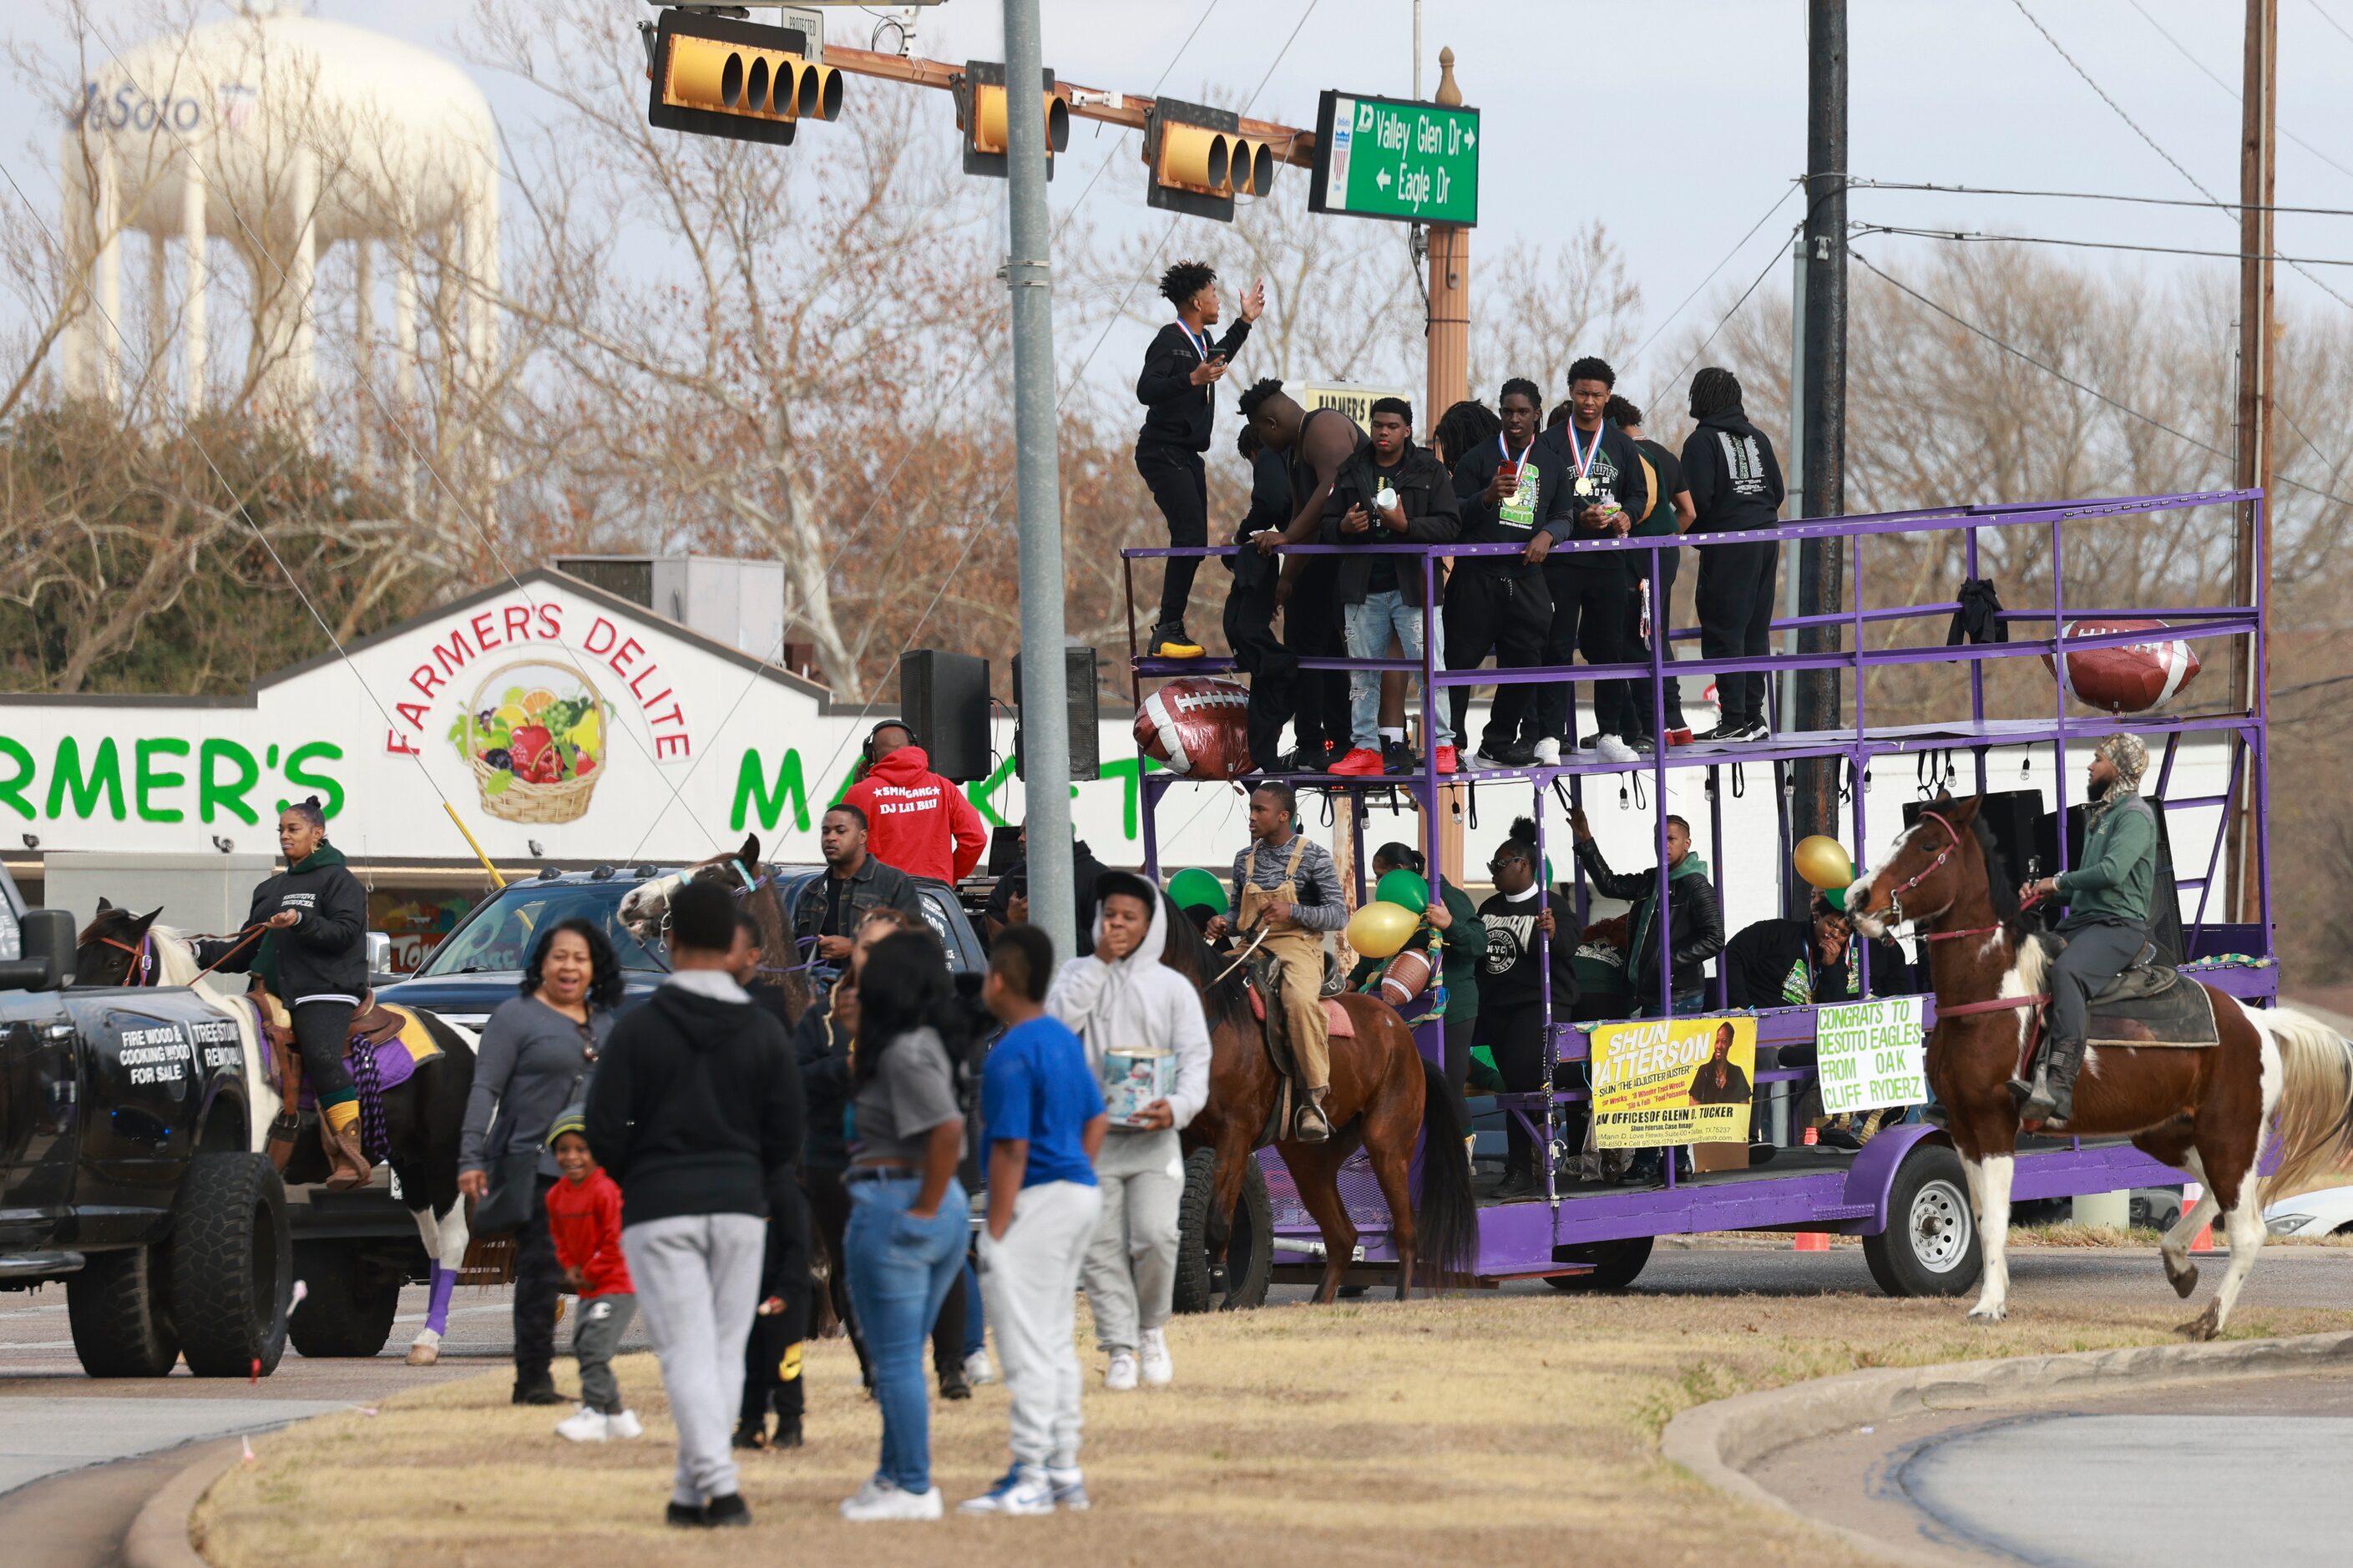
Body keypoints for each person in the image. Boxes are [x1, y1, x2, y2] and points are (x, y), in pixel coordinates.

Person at [584, 879, 802, 1531]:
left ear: (671, 942)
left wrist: (637, 1174)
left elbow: (600, 1128)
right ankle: (692, 1493)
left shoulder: (638, 1029)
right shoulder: (763, 1030)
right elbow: (787, 1132)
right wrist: (755, 1182)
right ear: (736, 942)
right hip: (740, 1207)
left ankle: (720, 1488)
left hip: (660, 1207)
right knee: (725, 1350)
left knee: (683, 1351)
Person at [960, 926, 1110, 1516]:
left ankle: (1029, 1475)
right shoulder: (1060, 1038)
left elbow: (1009, 1149)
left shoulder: (1011, 1052)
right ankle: (1062, 1470)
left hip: (1038, 1201)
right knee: (1050, 1340)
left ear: (999, 980)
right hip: (1075, 1192)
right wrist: (1079, 1175)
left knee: (1026, 1344)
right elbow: (1096, 1120)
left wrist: (996, 1228)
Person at [1046, 872, 1212, 1392]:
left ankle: (1151, 1330)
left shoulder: (1173, 988)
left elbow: (1195, 1060)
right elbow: (1054, 1025)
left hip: (1155, 1136)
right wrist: (1098, 964)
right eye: (1110, 915)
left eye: (1129, 917)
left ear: (1150, 926)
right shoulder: (1076, 973)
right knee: (1099, 1246)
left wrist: (1180, 1108)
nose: (1118, 924)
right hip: (1092, 1139)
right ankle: (1118, 1348)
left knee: (1157, 1237)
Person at [458, 918, 623, 1406]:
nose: (569, 966)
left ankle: (592, 1373)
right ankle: (532, 1380)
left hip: (591, 1176)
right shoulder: (515, 1017)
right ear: (542, 964)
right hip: (532, 1168)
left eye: (580, 957)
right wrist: (471, 1156)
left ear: (595, 967)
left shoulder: (605, 1023)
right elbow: (484, 1089)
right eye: (559, 956)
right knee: (540, 1270)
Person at [837, 928, 972, 1522]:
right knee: (899, 1358)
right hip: (918, 1206)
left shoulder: (906, 1049)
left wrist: (922, 1207)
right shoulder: (918, 1043)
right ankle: (893, 1476)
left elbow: (946, 1131)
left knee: (893, 1361)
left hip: (900, 1204)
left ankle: (913, 1485)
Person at [197, 797, 372, 1188]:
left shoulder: (339, 881)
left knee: (322, 1053)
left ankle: (350, 1152)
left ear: (318, 833)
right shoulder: (269, 889)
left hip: (324, 989)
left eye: (293, 829)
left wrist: (301, 920)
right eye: (281, 830)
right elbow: (246, 948)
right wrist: (196, 950)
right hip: (269, 993)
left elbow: (344, 933)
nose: (284, 836)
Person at [2018, 733, 2159, 1123]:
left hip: (2119, 928)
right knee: (2022, 956)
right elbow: (2088, 892)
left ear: (2118, 769)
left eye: (2097, 759)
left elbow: (2112, 874)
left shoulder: (2134, 816)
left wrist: (2057, 882)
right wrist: (2045, 894)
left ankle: (2061, 1083)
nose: (2090, 765)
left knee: (2067, 971)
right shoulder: (2104, 816)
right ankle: (2025, 1067)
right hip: (2086, 922)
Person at [1323, 397, 1461, 776]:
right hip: (1362, 589)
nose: (1383, 432)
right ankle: (1365, 747)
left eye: (1392, 426)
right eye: (1378, 425)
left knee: (1431, 669)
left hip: (1414, 587)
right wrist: (1343, 528)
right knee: (1362, 674)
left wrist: (1407, 526)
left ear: (1407, 430)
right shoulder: (1351, 469)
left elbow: (1451, 525)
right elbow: (1326, 523)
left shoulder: (1429, 469)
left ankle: (1442, 744)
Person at [1135, 260, 1266, 659]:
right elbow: (1146, 389)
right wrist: (1191, 379)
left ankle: (1171, 626)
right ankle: (1168, 628)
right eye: (1213, 294)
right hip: (1162, 451)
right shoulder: (1167, 339)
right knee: (1189, 535)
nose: (1218, 301)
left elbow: (1218, 355)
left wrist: (1245, 321)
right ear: (1195, 300)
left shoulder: (1204, 341)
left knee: (1193, 539)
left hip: (1189, 454)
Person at [1207, 780, 1346, 1141]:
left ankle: (1314, 1099)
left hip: (1298, 947)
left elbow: (1337, 915)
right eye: (1251, 809)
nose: (1251, 817)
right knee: (1205, 984)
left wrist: (1292, 910)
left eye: (1259, 810)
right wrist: (1225, 918)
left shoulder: (1313, 856)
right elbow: (1240, 911)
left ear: (1283, 816)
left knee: (1299, 1002)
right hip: (1251, 945)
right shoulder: (1244, 858)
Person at [1239, 377, 1366, 771]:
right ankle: (1314, 742)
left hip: (1359, 561)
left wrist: (1288, 536)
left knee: (1331, 652)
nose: (1258, 437)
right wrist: (1287, 578)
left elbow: (1332, 488)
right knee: (1307, 646)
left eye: (1258, 429)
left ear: (1271, 424)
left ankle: (1343, 741)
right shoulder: (1296, 452)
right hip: (1328, 558)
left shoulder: (1323, 426)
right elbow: (1303, 519)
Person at [726, 912, 816, 1453]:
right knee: (741, 1340)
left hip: (771, 1193)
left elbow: (796, 1248)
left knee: (782, 1342)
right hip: (734, 1198)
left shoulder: (764, 1011)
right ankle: (747, 1418)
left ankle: (790, 1417)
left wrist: (788, 1288)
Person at [1532, 359, 1649, 765]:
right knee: (1556, 646)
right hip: (1561, 562)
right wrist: (1573, 518)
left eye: (1597, 395)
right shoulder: (1549, 443)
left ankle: (1611, 734)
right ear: (1570, 391)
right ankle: (1548, 735)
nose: (1589, 402)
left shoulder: (1620, 444)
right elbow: (1539, 498)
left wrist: (1627, 517)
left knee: (1609, 649)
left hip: (1607, 560)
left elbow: (1639, 494)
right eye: (1583, 393)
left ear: (1608, 397)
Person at [1448, 378, 1560, 769]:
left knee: (1526, 662)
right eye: (1508, 411)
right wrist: (1487, 497)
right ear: (1500, 413)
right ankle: (1450, 745)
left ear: (1536, 415)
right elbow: (1453, 517)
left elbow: (1564, 514)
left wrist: (1549, 534)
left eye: (1523, 412)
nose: (1515, 419)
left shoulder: (1549, 462)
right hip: (1476, 578)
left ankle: (1497, 742)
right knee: (1458, 664)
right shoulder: (1475, 460)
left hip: (1526, 577)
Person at [1680, 366, 1787, 742]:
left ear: (1702, 399)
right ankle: (1754, 717)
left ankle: (1735, 719)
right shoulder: (1758, 438)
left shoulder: (1701, 442)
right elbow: (1777, 492)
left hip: (1728, 544)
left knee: (1724, 627)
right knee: (1755, 629)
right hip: (1766, 538)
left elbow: (1696, 501)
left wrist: (1692, 534)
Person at [1475, 818, 1580, 1198]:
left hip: (1537, 1005)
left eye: (1499, 866)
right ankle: (1525, 1164)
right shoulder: (1489, 906)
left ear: (1523, 864)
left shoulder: (1550, 905)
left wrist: (1554, 932)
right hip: (1498, 1009)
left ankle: (1521, 1167)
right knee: (1516, 1085)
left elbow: (1570, 943)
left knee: (1523, 1079)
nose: (1493, 874)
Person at [1350, 842, 1485, 1130]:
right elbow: (1377, 951)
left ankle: (1460, 1160)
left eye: (1380, 875)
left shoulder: (1444, 896)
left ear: (1399, 871)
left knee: (1446, 1089)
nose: (1378, 883)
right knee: (1406, 1089)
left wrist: (1449, 924)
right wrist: (1352, 982)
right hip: (1408, 1010)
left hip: (1452, 1008)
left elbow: (1477, 944)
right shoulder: (1391, 905)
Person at [543, 1109, 642, 1444]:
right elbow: (559, 1237)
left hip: (616, 1287)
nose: (572, 1157)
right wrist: (570, 1267)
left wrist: (589, 1271)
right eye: (563, 1149)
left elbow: (615, 1242)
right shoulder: (556, 1196)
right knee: (585, 1346)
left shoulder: (605, 1191)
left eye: (581, 1149)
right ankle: (618, 1418)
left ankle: (595, 1412)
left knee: (594, 1349)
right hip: (588, 1288)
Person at [1604, 395, 1698, 747]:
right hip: (1664, 555)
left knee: (1635, 638)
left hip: (1635, 556)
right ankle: (1674, 722)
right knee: (1656, 634)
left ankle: (1647, 725)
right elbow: (1688, 511)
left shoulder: (1620, 454)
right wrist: (1669, 539)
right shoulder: (1666, 455)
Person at [1570, 809, 1724, 1016]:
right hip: (1651, 991)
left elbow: (1715, 938)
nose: (1664, 845)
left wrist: (1666, 962)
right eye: (1658, 839)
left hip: (1677, 995)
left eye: (1671, 839)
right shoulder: (1653, 880)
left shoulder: (1695, 885)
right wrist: (1586, 840)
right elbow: (1610, 885)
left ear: (1686, 843)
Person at [1222, 424, 1302, 773]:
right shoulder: (1297, 462)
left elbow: (1269, 501)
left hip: (1307, 557)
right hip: (1303, 557)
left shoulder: (1270, 455)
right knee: (1246, 633)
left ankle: (1303, 731)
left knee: (1243, 629)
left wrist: (1240, 536)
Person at [843, 721, 988, 886]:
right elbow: (976, 838)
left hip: (880, 897)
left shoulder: (860, 794)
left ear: (872, 756)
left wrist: (859, 790)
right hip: (934, 895)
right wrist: (950, 875)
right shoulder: (944, 787)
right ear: (913, 748)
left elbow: (844, 848)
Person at [1724, 893, 1908, 1009]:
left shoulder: (1842, 959)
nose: (1833, 934)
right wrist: (1742, 1007)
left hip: (1816, 1038)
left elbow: (1836, 1009)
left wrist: (1830, 967)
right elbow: (1732, 954)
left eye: (1843, 932)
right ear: (1817, 917)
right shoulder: (1776, 933)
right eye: (1831, 925)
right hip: (1767, 1032)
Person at [793, 803, 923, 966]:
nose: (830, 838)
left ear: (862, 837)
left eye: (840, 831)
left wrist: (854, 946)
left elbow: (914, 943)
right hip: (819, 988)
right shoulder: (811, 891)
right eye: (825, 831)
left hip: (873, 988)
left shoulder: (894, 883)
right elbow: (795, 953)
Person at [984, 822, 1106, 957]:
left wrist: (1050, 932)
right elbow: (981, 937)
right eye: (1021, 832)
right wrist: (1008, 919)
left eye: (1028, 832)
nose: (1021, 838)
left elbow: (1103, 939)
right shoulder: (1013, 878)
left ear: (1055, 836)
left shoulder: (1098, 878)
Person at [1686, 1023, 1753, 1105]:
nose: (1719, 1046)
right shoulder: (1704, 1071)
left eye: (1724, 1041)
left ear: (1730, 1042)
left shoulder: (1737, 1073)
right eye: (1717, 1041)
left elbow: (1744, 1110)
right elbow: (1693, 1109)